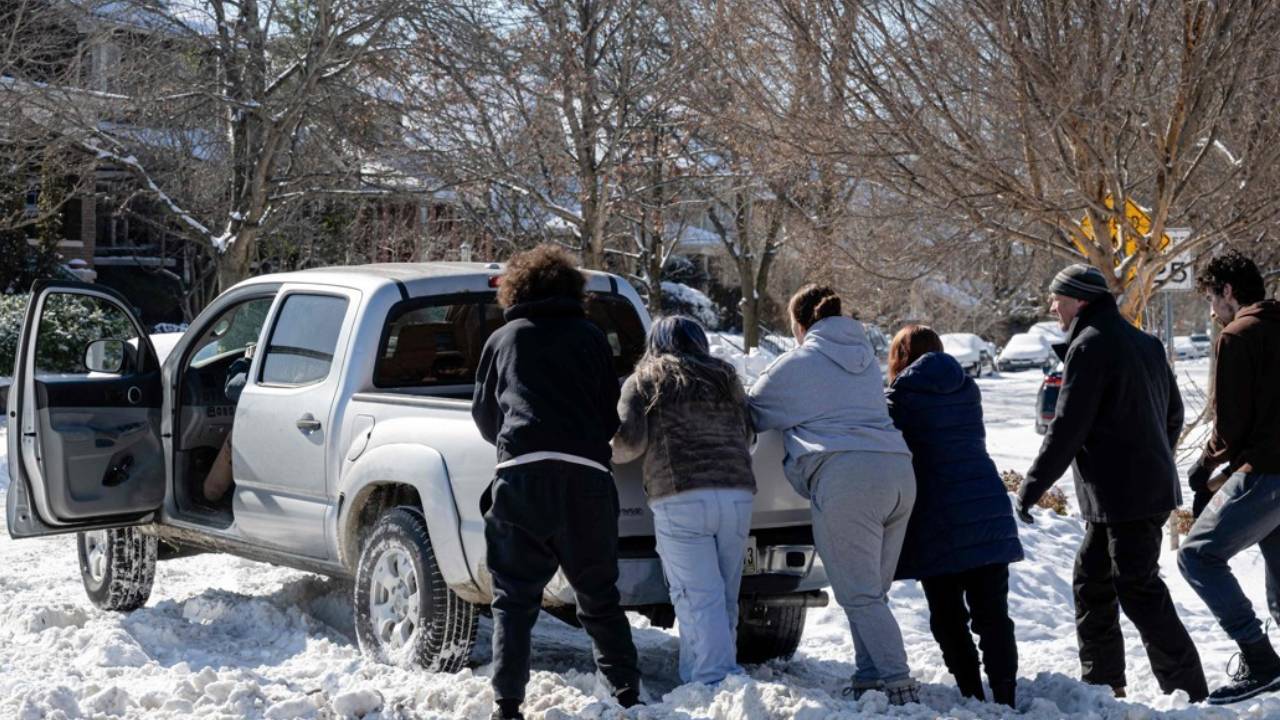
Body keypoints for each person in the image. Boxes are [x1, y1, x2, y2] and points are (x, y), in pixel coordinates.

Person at [1017, 264, 1208, 702]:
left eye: (1057, 299)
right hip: (1132, 493)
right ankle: (1104, 683)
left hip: (1124, 496)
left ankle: (1189, 690)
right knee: (1092, 581)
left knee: (1137, 587)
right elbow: (1173, 414)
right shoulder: (1144, 342)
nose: (1052, 307)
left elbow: (1067, 428)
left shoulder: (1089, 346)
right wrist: (1154, 455)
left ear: (1080, 301)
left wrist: (1030, 488)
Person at [471, 245, 641, 720]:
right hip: (587, 479)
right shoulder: (591, 337)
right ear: (572, 289)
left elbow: (485, 418)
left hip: (522, 477)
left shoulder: (502, 340)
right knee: (599, 595)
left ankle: (507, 704)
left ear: (515, 290)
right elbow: (612, 410)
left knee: (514, 599)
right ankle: (627, 694)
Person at [747, 285, 920, 705]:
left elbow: (751, 410)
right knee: (869, 593)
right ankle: (868, 675)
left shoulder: (799, 363)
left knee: (859, 594)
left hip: (849, 478)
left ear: (800, 324)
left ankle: (898, 684)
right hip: (898, 472)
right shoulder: (864, 360)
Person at [612, 315, 756, 685]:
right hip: (737, 493)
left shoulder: (645, 380)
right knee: (723, 594)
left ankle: (713, 682)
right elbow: (748, 434)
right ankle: (707, 677)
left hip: (682, 496)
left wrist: (602, 449)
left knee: (696, 596)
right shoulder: (727, 378)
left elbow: (629, 445)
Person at [885, 325, 1023, 707]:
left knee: (947, 616)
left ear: (899, 358)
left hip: (936, 515)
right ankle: (1006, 696)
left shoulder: (899, 399)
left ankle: (971, 693)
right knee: (993, 615)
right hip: (986, 506)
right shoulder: (967, 389)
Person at [1177, 250, 1280, 705]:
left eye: (1211, 299)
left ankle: (1260, 661)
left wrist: (1204, 467)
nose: (1212, 311)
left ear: (1229, 292)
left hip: (1266, 472)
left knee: (1197, 557)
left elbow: (1230, 425)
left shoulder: (1238, 335)